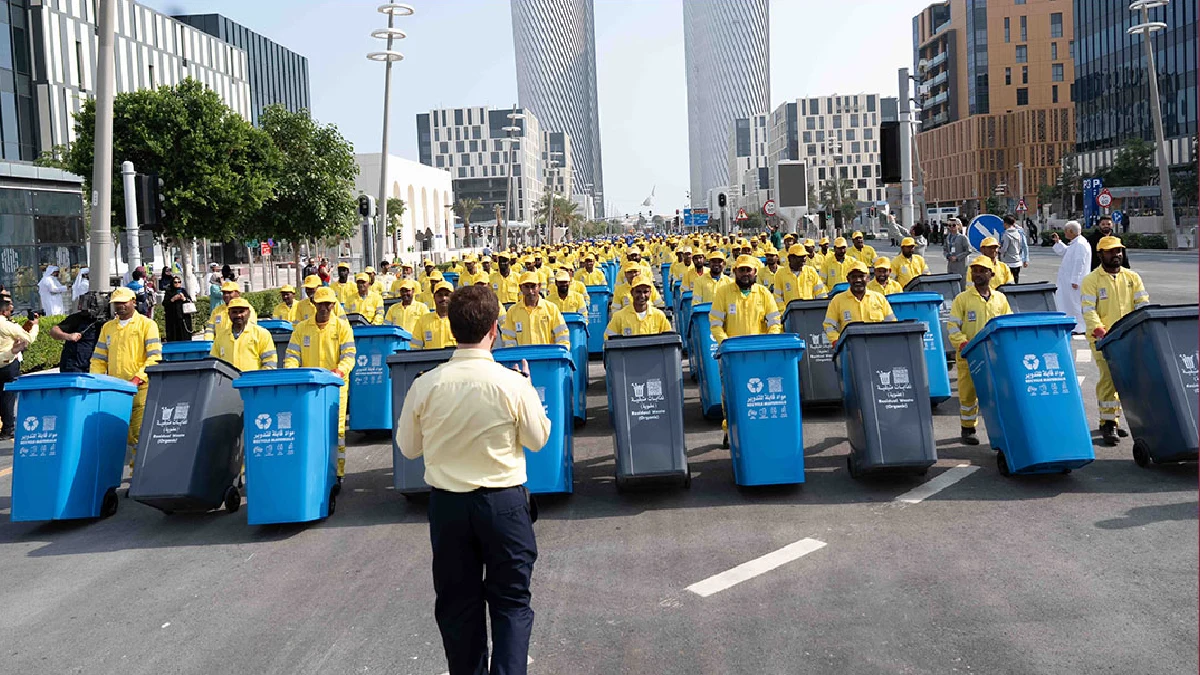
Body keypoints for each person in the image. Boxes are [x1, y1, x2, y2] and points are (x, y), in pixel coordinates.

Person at [396, 285, 550, 675]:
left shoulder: (426, 384)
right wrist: (529, 389)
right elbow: (538, 438)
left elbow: (409, 447)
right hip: (503, 505)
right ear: (494, 329)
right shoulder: (512, 383)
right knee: (512, 605)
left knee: (458, 608)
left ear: (450, 328)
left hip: (449, 507)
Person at [1082, 236, 1150, 446]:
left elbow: (1142, 304)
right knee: (1109, 378)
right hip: (1104, 339)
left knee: (1126, 379)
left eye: (1119, 251)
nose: (1116, 255)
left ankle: (1116, 418)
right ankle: (1108, 422)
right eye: (1111, 252)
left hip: (1129, 337)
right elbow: (1088, 310)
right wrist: (1099, 329)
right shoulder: (1092, 280)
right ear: (1100, 254)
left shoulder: (1132, 277)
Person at [284, 286, 355, 481]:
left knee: (337, 430)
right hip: (309, 389)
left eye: (328, 304)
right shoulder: (302, 328)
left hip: (335, 387)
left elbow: (349, 356)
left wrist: (339, 372)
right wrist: (293, 374)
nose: (324, 308)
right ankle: (313, 470)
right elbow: (291, 355)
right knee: (309, 428)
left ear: (333, 305)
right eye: (320, 304)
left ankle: (337, 472)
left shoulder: (342, 327)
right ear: (313, 304)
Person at [90, 287, 162, 464]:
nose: (120, 306)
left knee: (139, 433)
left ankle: (140, 473)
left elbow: (154, 357)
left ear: (134, 302)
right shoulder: (108, 328)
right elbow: (99, 359)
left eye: (124, 302)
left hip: (141, 389)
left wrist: (137, 378)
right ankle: (136, 470)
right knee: (126, 433)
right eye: (116, 304)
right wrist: (95, 381)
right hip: (116, 390)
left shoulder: (147, 325)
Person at [947, 256, 1013, 446]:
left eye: (982, 270)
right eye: (974, 271)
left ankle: (999, 429)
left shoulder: (1000, 299)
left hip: (994, 357)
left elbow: (1007, 324)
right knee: (968, 394)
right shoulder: (963, 299)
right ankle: (968, 428)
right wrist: (962, 343)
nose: (977, 274)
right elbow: (952, 326)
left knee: (997, 393)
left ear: (991, 274)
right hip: (969, 356)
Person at [709, 256, 782, 344]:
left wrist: (768, 342)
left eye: (748, 270)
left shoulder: (764, 293)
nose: (745, 273)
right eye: (741, 270)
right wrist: (726, 343)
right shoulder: (723, 292)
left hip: (759, 348)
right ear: (735, 271)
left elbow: (774, 321)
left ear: (755, 271)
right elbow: (716, 323)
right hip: (733, 349)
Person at [822, 261, 897, 344]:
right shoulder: (837, 300)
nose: (858, 280)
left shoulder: (879, 298)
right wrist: (836, 341)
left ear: (868, 278)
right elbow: (829, 325)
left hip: (878, 346)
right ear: (848, 279)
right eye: (854, 277)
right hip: (851, 350)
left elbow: (892, 323)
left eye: (861, 276)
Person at [501, 272, 570, 348]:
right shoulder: (512, 311)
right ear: (520, 288)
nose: (530, 291)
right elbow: (508, 339)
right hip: (523, 358)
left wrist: (559, 354)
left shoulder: (551, 309)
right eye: (526, 287)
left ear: (539, 286)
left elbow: (562, 335)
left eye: (533, 286)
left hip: (547, 357)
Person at [0, 298, 37, 439]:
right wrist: (36, 326)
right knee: (8, 397)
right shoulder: (7, 325)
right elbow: (28, 338)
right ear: (4, 311)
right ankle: (8, 428)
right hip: (8, 363)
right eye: (10, 310)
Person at [210, 298, 277, 371]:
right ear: (229, 314)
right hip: (228, 381)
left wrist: (260, 380)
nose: (238, 315)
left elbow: (270, 362)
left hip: (253, 380)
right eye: (234, 312)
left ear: (249, 313)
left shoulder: (261, 334)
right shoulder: (221, 336)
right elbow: (214, 361)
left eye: (241, 312)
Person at [1050, 222, 1092, 335]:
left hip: (1074, 281)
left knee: (1075, 304)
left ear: (1071, 232)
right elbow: (1066, 252)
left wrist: (1075, 279)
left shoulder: (1080, 244)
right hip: (1069, 280)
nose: (1064, 233)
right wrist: (1058, 242)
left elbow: (1080, 263)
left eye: (1066, 231)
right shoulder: (1076, 243)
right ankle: (1073, 325)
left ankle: (1080, 327)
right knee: (1069, 303)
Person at [604, 275, 671, 339]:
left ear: (650, 293)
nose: (642, 295)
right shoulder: (619, 317)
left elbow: (669, 340)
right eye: (638, 292)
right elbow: (608, 339)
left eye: (645, 292)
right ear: (632, 292)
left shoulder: (659, 316)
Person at [51, 298, 104, 373]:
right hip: (74, 367)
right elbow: (54, 331)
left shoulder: (109, 322)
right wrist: (69, 336)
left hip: (94, 367)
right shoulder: (77, 318)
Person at [411, 281, 457, 350]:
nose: (443, 298)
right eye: (440, 295)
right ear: (434, 297)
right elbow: (415, 348)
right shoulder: (423, 320)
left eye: (447, 295)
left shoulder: (460, 319)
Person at [161, 275, 193, 342]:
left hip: (184, 317)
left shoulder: (183, 290)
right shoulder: (169, 292)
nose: (177, 283)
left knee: (185, 336)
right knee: (174, 336)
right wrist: (173, 299)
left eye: (179, 282)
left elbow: (190, 301)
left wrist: (184, 298)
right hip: (173, 318)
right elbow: (164, 303)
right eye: (175, 282)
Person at [999, 215, 1029, 283]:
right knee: (1016, 282)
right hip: (1017, 261)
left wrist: (998, 248)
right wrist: (1025, 259)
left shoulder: (1006, 234)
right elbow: (1023, 246)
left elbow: (1004, 249)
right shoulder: (1019, 233)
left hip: (1008, 262)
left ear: (1005, 223)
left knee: (1007, 283)